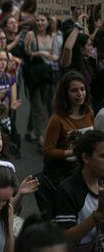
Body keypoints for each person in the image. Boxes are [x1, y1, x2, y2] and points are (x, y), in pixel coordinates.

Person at [37, 71, 94, 220]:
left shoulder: (89, 114)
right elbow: (48, 150)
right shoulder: (57, 119)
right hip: (63, 176)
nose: (80, 94)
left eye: (82, 89)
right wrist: (73, 152)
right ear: (65, 93)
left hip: (85, 171)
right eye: (74, 90)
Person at [54, 130, 104, 250]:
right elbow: (64, 239)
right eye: (103, 156)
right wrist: (98, 214)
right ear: (86, 158)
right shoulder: (69, 190)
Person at [24, 13, 58, 150]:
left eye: (42, 20)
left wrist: (53, 57)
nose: (39, 23)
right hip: (33, 75)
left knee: (41, 103)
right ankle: (41, 137)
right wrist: (39, 53)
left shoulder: (52, 36)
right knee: (38, 106)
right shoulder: (31, 35)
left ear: (48, 22)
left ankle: (29, 130)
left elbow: (53, 54)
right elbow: (27, 54)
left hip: (46, 74)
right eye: (37, 20)